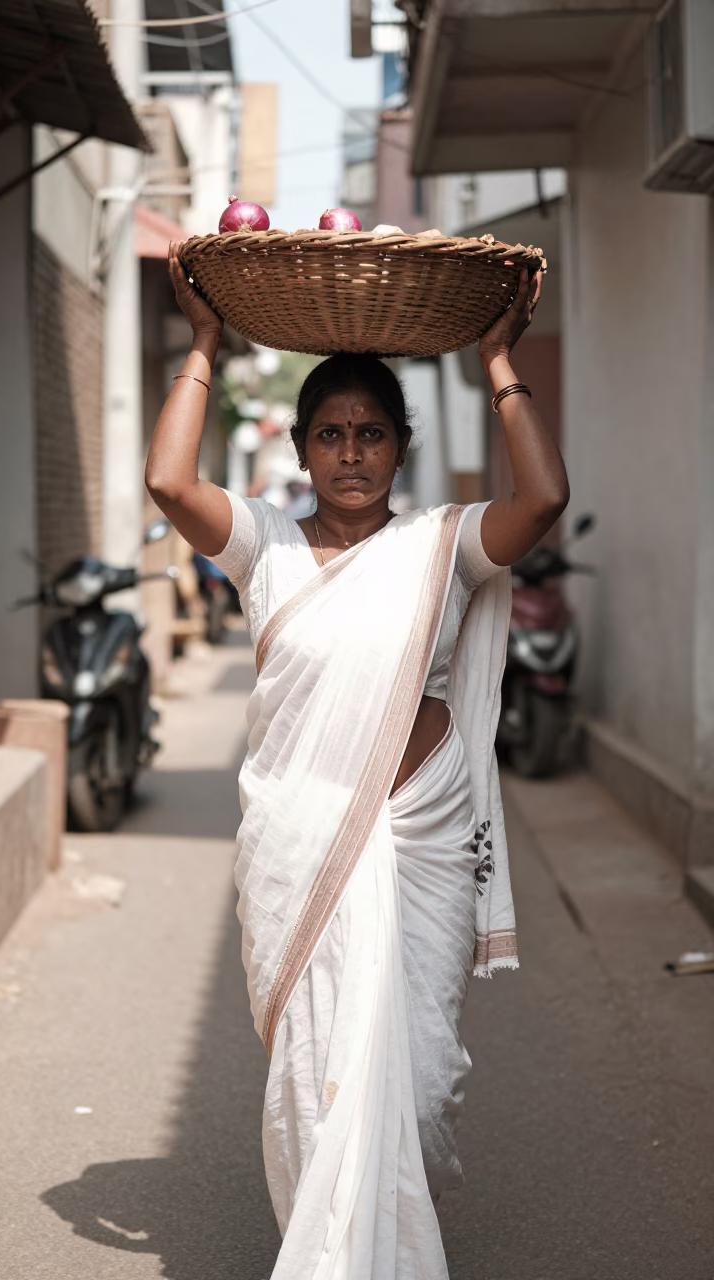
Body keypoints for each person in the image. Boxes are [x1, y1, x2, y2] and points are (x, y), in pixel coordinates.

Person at [146, 243, 569, 1279]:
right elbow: (168, 480)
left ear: (400, 448)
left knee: (417, 1087)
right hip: (302, 845)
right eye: (329, 434)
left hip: (420, 840)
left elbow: (545, 498)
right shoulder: (265, 547)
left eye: (370, 432)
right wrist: (203, 344)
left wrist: (499, 363)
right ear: (301, 450)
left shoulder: (442, 545)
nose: (349, 453)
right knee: (316, 1076)